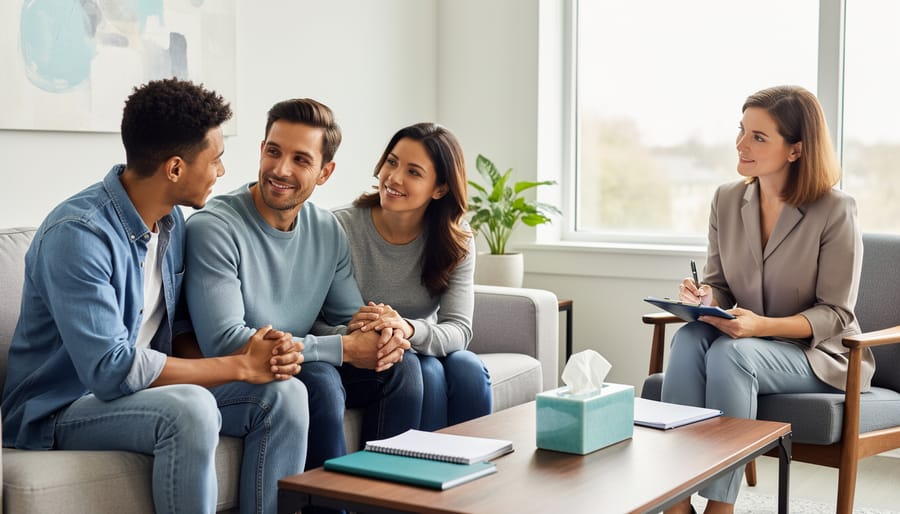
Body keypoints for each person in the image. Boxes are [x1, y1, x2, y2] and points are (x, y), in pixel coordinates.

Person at [0, 78, 307, 514]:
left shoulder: (171, 222)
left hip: (139, 392)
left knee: (285, 395)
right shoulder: (78, 235)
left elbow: (172, 325)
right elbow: (110, 370)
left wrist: (259, 355)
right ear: (176, 169)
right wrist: (239, 365)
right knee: (192, 407)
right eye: (216, 159)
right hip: (60, 406)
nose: (221, 172)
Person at [184, 98, 423, 471]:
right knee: (321, 378)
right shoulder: (214, 227)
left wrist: (381, 332)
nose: (280, 169)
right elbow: (226, 342)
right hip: (241, 374)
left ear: (325, 172)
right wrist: (343, 347)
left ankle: (389, 500)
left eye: (301, 159)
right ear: (261, 150)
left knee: (401, 367)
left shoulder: (327, 229)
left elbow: (349, 318)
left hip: (301, 362)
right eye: (274, 152)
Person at [662, 85, 868, 514]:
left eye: (759, 136)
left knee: (730, 355)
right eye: (741, 130)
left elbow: (836, 313)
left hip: (817, 354)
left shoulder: (835, 210)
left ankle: (722, 507)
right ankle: (676, 500)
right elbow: (720, 283)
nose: (741, 144)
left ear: (795, 150)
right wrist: (704, 295)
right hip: (746, 338)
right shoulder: (727, 198)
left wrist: (759, 326)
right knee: (686, 341)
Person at [316, 122, 492, 430]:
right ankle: (414, 473)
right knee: (424, 371)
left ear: (440, 188)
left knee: (468, 369)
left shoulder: (456, 239)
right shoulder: (340, 227)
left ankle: (468, 474)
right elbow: (311, 319)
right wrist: (363, 335)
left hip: (418, 345)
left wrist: (407, 328)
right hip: (361, 357)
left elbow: (460, 330)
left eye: (414, 172)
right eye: (392, 162)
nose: (394, 178)